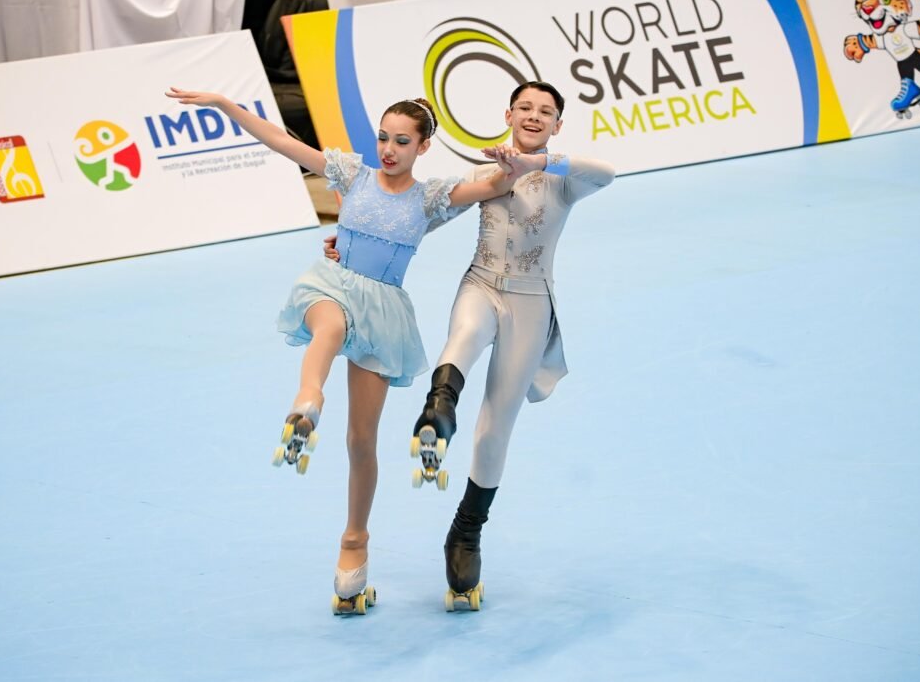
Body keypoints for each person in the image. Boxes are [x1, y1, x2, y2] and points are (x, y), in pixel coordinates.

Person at [166, 86, 523, 614]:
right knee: (327, 325)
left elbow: (496, 185)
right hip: (334, 284)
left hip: (382, 314)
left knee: (362, 440)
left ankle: (354, 542)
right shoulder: (351, 175)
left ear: (422, 147)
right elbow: (282, 142)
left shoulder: (429, 199)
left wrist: (512, 164)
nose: (389, 149)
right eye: (383, 137)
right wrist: (225, 105)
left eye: (402, 141)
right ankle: (308, 400)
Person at [328, 81, 616, 610]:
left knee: (495, 427)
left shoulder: (563, 179)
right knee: (463, 334)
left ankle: (466, 533)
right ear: (507, 114)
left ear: (557, 125)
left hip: (532, 303)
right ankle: (438, 409)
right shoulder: (483, 176)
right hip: (480, 284)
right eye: (525, 107)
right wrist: (350, 243)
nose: (534, 115)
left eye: (546, 111)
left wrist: (545, 162)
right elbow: (414, 217)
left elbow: (608, 172)